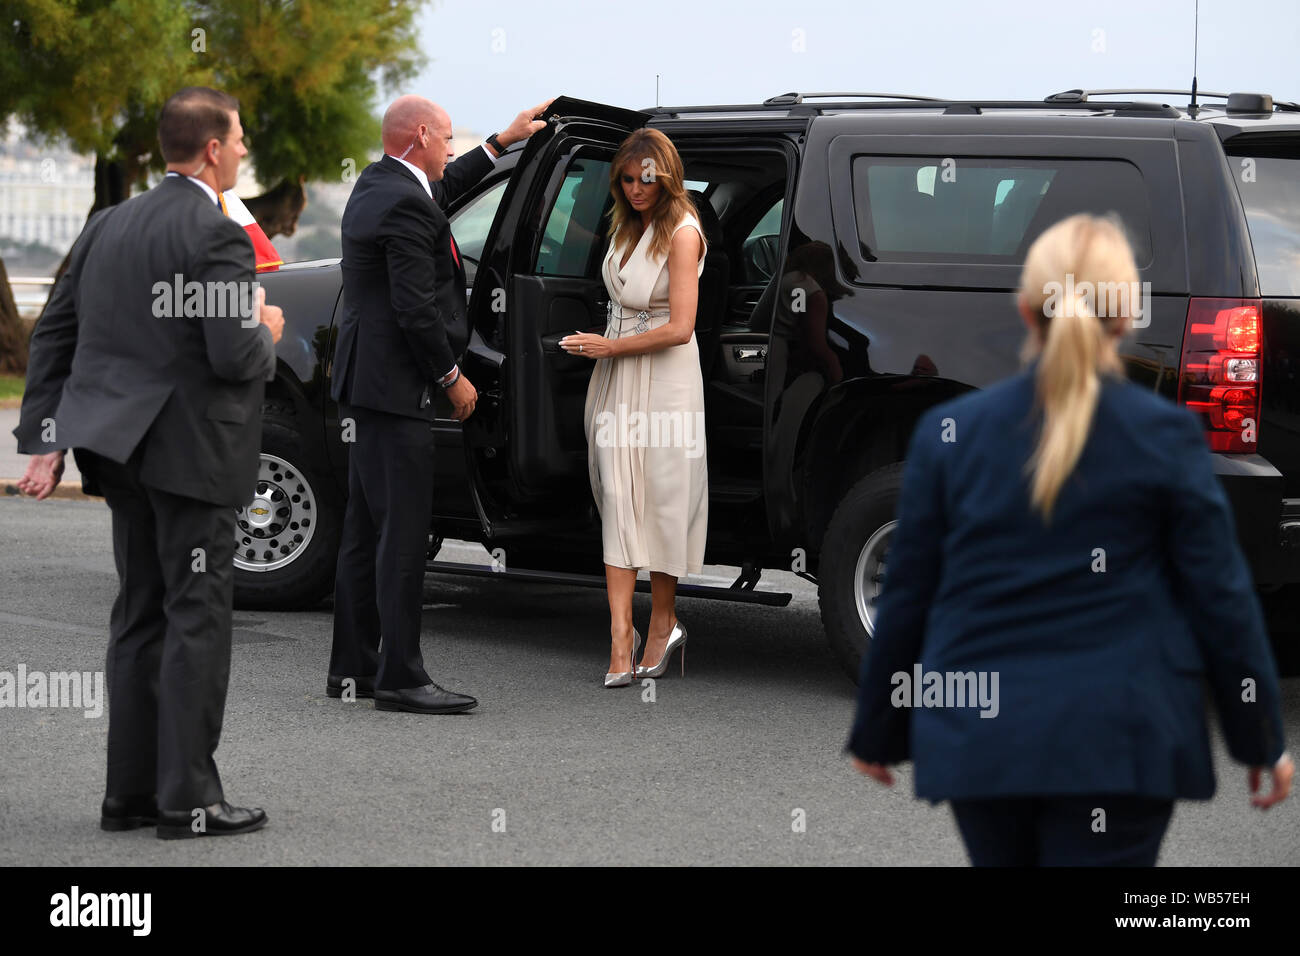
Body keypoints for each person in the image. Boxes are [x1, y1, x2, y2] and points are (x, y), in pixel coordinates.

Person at [845, 213, 1292, 866]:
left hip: (987, 743)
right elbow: (1220, 600)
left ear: (1027, 310)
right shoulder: (1166, 438)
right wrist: (1260, 740)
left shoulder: (952, 434)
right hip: (1123, 743)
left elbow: (909, 594)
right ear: (1127, 318)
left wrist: (878, 730)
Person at [14, 86, 284, 839]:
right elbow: (234, 354)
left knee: (138, 617)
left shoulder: (109, 222)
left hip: (119, 454)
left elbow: (54, 333)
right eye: (236, 142)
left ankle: (128, 796)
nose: (240, 152)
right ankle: (191, 801)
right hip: (191, 457)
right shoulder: (215, 233)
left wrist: (46, 437)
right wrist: (268, 325)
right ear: (211, 150)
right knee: (195, 618)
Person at [328, 95, 551, 714]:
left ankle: (354, 668)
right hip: (396, 389)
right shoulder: (402, 199)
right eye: (448, 138)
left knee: (364, 530)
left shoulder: (381, 183)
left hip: (369, 386)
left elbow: (445, 185)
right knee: (401, 535)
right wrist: (451, 376)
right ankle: (401, 677)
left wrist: (502, 142)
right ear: (420, 134)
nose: (452, 149)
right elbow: (413, 307)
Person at [560, 129, 707, 687]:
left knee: (663, 500)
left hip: (667, 380)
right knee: (619, 497)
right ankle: (620, 637)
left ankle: (662, 624)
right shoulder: (624, 227)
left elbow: (681, 327)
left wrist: (609, 346)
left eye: (646, 178)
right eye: (626, 179)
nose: (636, 188)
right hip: (617, 375)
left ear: (665, 176)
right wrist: (598, 344)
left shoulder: (684, 233)